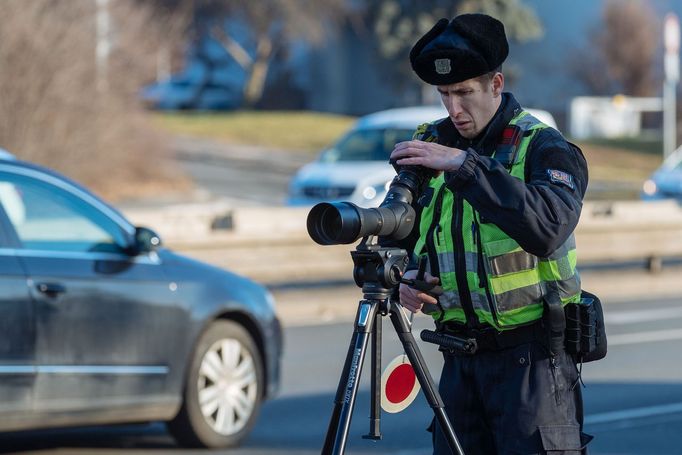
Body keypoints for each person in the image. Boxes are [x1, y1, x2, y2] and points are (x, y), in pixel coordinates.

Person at [389, 13, 592, 455]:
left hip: (533, 369)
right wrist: (407, 280)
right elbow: (405, 241)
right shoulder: (434, 149)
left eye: (464, 93)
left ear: (496, 85)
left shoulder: (546, 147)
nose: (453, 109)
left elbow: (547, 226)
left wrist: (465, 167)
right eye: (444, 94)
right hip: (458, 367)